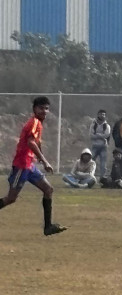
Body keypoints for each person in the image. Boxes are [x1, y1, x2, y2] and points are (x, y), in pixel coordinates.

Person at [0, 96, 67, 235]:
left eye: (46, 108)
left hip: (29, 165)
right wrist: (45, 161)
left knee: (48, 189)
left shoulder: (38, 123)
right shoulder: (34, 122)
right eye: (41, 108)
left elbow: (36, 142)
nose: (44, 111)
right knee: (11, 198)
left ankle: (48, 227)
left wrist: (41, 158)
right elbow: (30, 142)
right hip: (22, 165)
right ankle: (48, 227)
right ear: (35, 109)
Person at [89, 109, 111, 179]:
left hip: (103, 146)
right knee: (91, 162)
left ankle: (102, 178)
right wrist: (101, 136)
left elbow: (107, 135)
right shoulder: (93, 125)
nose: (102, 115)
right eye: (101, 114)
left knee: (103, 163)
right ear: (98, 114)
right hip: (94, 146)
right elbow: (91, 135)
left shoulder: (107, 126)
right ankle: (89, 176)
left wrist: (97, 135)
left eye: (103, 114)